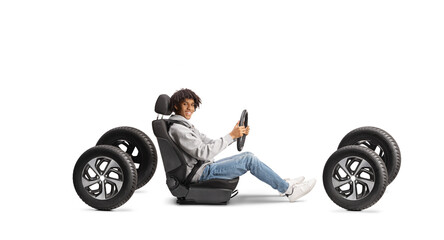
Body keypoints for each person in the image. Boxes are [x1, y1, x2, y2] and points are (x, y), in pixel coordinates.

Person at [168, 88, 316, 202]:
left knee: (247, 156)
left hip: (203, 167)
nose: (189, 108)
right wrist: (232, 135)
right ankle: (290, 191)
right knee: (249, 160)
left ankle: (282, 183)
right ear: (176, 106)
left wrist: (234, 135)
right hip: (200, 173)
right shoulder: (179, 129)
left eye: (192, 105)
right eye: (185, 104)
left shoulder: (185, 126)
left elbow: (209, 143)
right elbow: (204, 153)